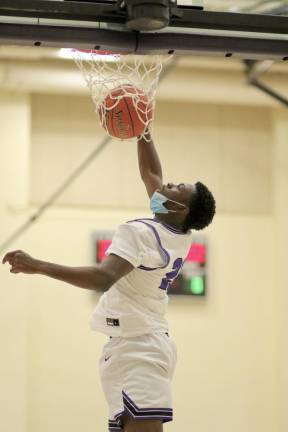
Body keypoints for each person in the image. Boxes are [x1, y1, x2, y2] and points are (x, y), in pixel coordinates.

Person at [2, 131, 216, 432]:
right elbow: (152, 173)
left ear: (179, 209)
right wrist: (143, 131)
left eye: (178, 187)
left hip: (139, 348)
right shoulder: (179, 233)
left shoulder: (144, 234)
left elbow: (104, 278)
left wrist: (38, 265)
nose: (169, 183)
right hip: (138, 344)